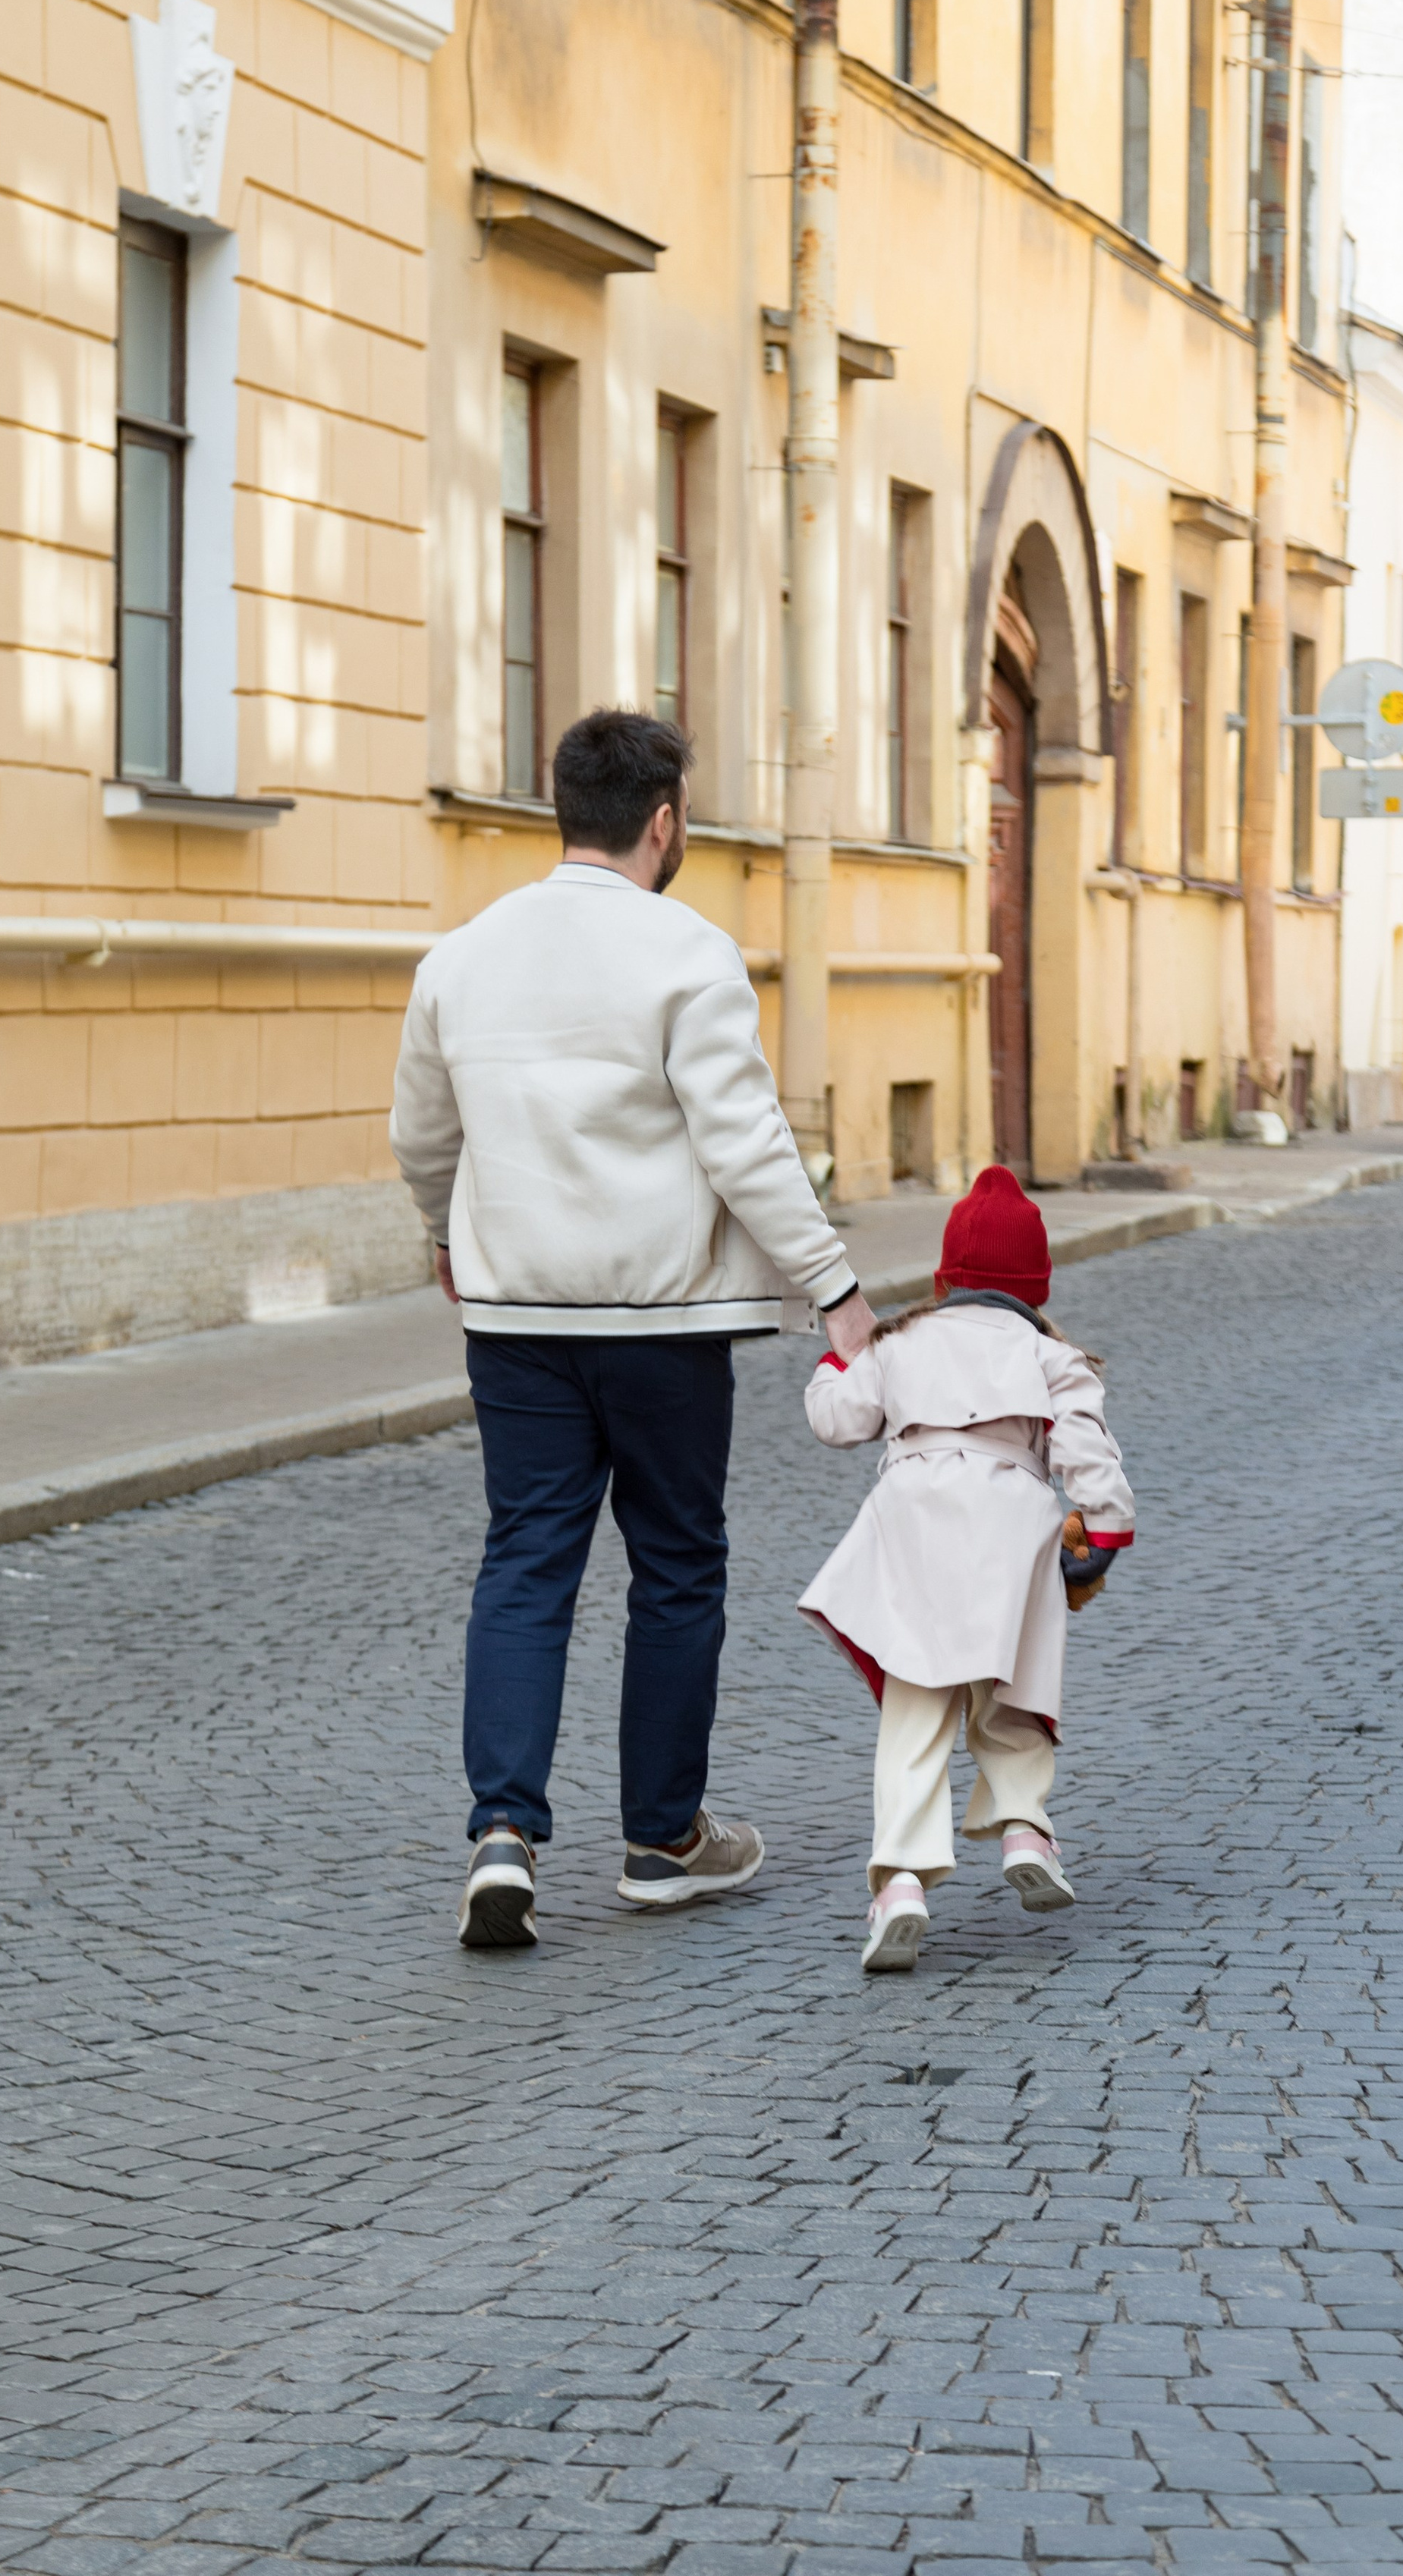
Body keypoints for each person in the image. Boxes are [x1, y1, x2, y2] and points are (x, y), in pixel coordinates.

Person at [390, 708, 876, 1948]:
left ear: (564, 810)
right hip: (662, 1318)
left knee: (526, 1560)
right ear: (666, 822)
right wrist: (835, 1286)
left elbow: (421, 1135)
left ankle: (503, 1832)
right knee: (674, 1563)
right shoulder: (690, 953)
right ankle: (664, 1842)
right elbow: (744, 1143)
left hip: (513, 1313)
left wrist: (447, 1231)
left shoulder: (460, 957)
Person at [794, 1166, 1134, 1974]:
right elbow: (1088, 1455)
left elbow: (836, 1420)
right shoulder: (1052, 1357)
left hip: (912, 1519)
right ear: (1038, 1284)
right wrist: (1106, 1533)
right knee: (1014, 1694)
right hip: (1011, 1521)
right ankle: (1024, 1828)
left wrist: (835, 1362)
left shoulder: (900, 1340)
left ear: (944, 1276)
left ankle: (902, 1883)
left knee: (916, 1710)